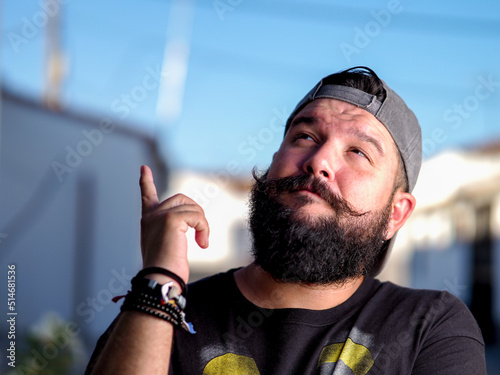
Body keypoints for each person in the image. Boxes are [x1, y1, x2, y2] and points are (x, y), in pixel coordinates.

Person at [85, 66, 486, 374]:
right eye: (305, 137)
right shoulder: (165, 312)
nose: (320, 162)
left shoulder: (430, 328)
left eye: (359, 152)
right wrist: (160, 278)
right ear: (274, 162)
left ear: (396, 215)